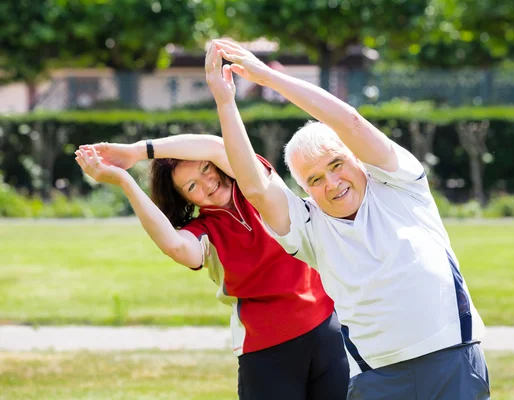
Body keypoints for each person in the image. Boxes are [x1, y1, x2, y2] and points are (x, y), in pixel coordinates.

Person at [210, 38, 491, 400]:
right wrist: (224, 101)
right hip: (377, 378)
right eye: (314, 179)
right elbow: (255, 187)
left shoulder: (399, 183)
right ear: (306, 190)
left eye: (336, 165)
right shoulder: (308, 227)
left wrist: (269, 78)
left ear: (355, 159)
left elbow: (351, 122)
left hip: (453, 360)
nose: (332, 183)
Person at [73, 45, 349, 400]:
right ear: (184, 200)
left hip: (327, 330)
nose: (207, 182)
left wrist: (136, 152)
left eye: (206, 170)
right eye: (192, 186)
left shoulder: (255, 185)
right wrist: (126, 179)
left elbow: (217, 147)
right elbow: (176, 247)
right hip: (267, 351)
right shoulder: (204, 232)